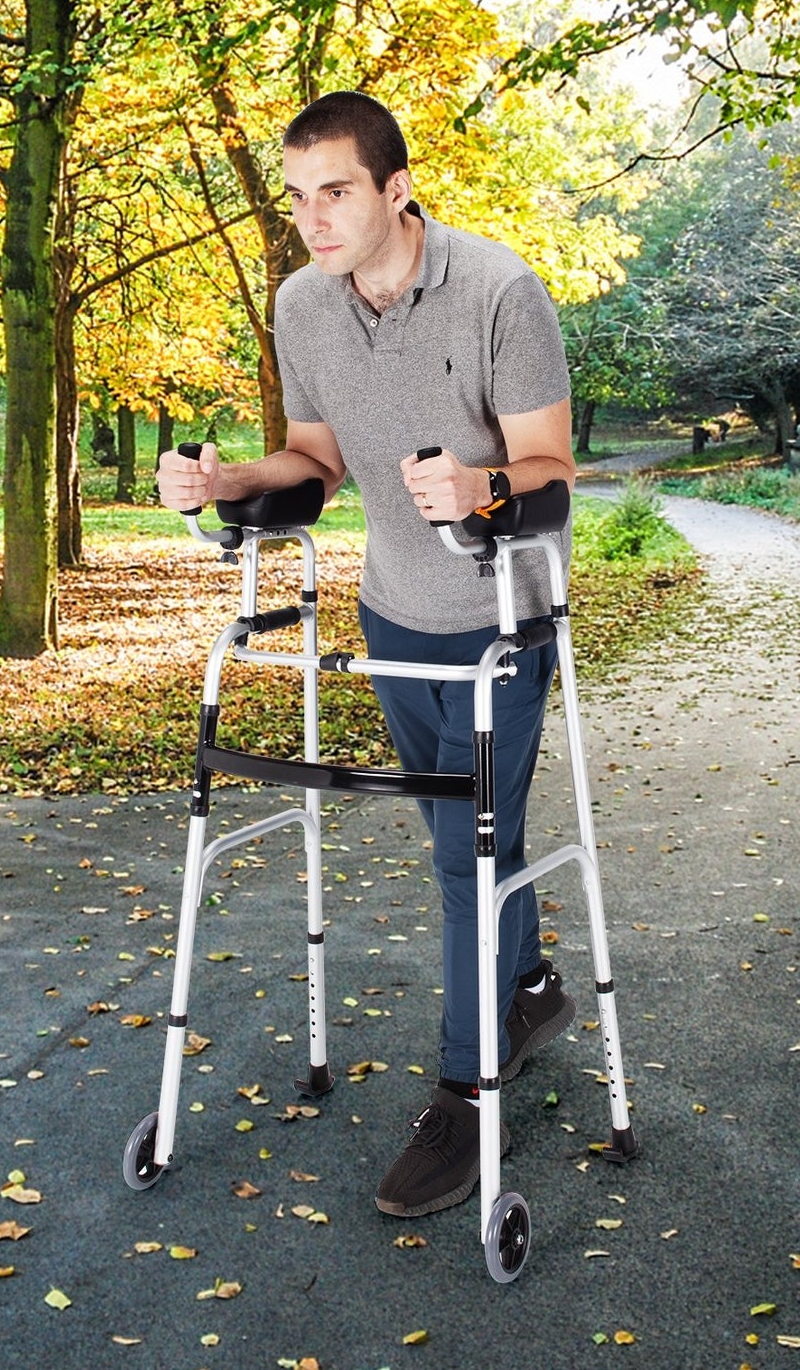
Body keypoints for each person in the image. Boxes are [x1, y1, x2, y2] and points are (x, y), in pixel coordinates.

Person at [156, 91, 577, 1218]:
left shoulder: (499, 291)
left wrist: (481, 484)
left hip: (504, 618)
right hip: (391, 612)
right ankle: (528, 990)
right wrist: (228, 482)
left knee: (465, 856)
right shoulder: (300, 304)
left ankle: (463, 1091)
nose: (312, 216)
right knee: (468, 830)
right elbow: (311, 460)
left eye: (333, 190)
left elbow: (550, 469)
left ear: (394, 188)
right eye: (296, 197)